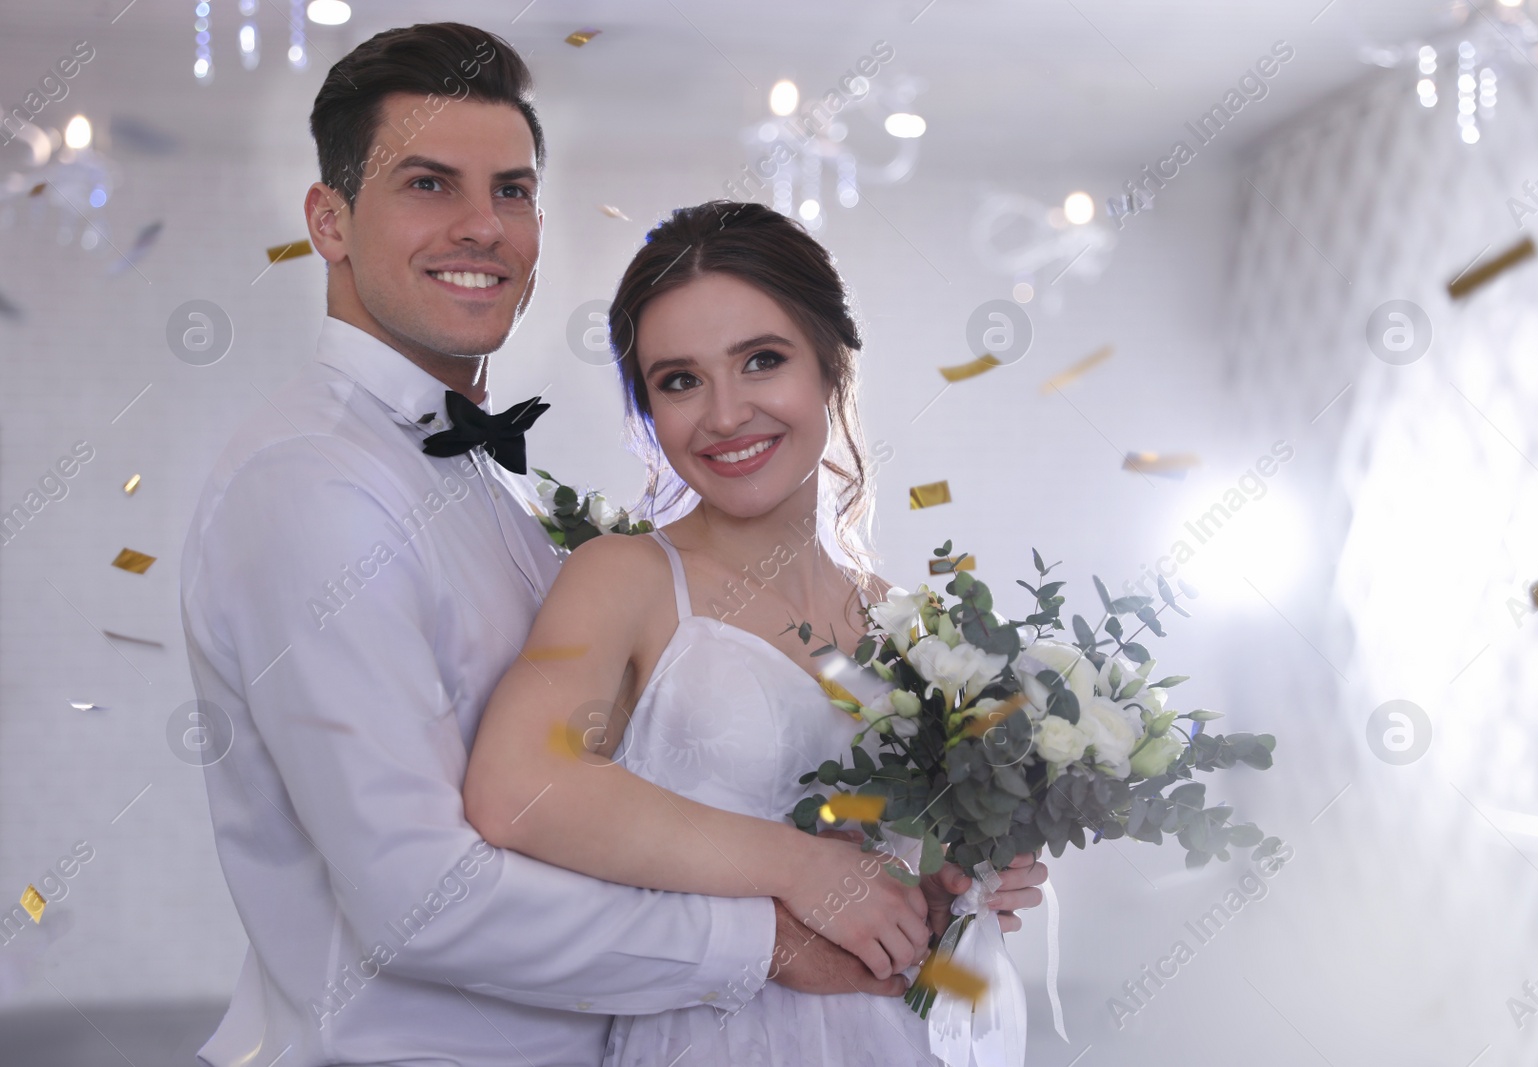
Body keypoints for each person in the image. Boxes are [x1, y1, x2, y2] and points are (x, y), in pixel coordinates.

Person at [180, 24, 969, 1067]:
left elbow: (630, 799)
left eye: (509, 189)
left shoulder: (486, 486)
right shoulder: (311, 486)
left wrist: (937, 880)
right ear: (329, 219)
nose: (482, 227)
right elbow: (422, 895)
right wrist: (771, 932)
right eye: (428, 184)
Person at [462, 200, 1050, 1066]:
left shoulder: (905, 623)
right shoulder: (624, 577)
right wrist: (796, 867)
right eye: (679, 380)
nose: (726, 413)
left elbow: (891, 890)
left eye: (762, 361)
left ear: (830, 366)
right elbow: (517, 785)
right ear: (647, 408)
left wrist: (944, 895)